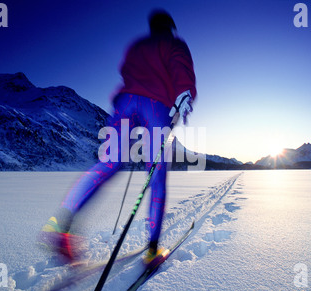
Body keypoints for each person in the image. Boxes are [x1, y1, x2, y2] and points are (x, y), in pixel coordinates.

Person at [39, 9, 197, 265]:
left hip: (124, 105)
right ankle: (152, 249)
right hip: (156, 107)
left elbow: (126, 71)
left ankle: (61, 225)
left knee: (108, 164)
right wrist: (184, 94)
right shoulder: (174, 43)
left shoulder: (137, 46)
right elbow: (180, 67)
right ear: (170, 27)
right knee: (156, 176)